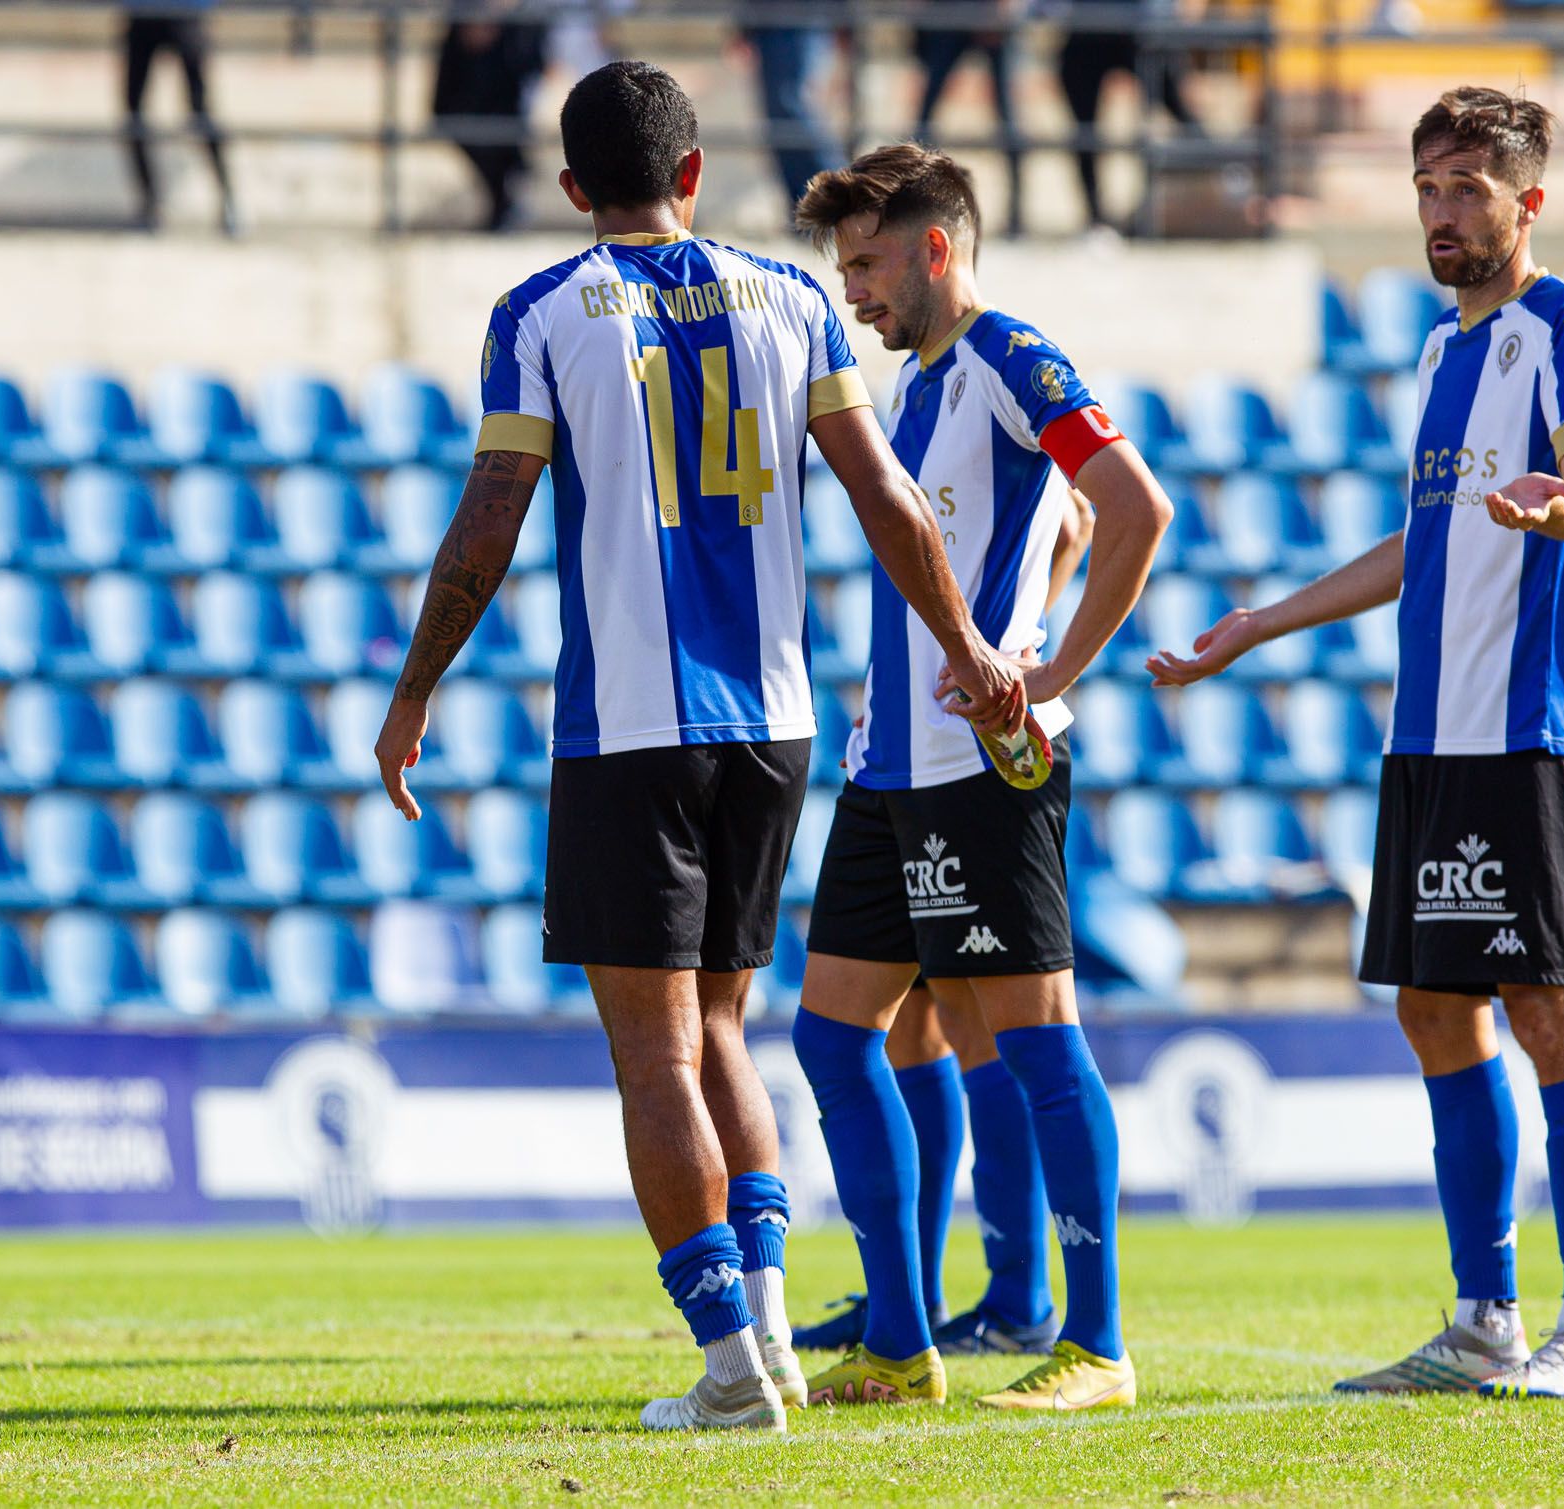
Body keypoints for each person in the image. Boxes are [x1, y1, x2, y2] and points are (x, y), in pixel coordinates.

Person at [373, 62, 1025, 1435]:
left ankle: (729, 1362)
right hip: (775, 722)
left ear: (569, 190)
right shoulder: (792, 300)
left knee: (657, 1055)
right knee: (725, 1026)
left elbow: (493, 515)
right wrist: (966, 643)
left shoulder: (541, 311)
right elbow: (888, 495)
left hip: (631, 725)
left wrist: (417, 683)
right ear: (693, 172)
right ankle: (774, 1332)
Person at [1149, 86, 1564, 1401]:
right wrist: (1262, 621)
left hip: (1522, 722)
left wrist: (1553, 506)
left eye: (1468, 187)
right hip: (1430, 733)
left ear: (1528, 202)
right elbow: (1426, 544)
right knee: (1432, 1007)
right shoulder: (1439, 354)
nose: (1441, 210)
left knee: (1547, 1006)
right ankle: (1486, 1316)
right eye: (1427, 186)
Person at [791, 143, 1173, 1411]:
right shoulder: (914, 391)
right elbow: (1049, 528)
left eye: (866, 264)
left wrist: (1051, 672)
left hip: (978, 768)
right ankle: (902, 1344)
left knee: (1037, 1040)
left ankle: (1097, 1345)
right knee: (833, 1035)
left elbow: (1131, 506)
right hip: (887, 766)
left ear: (934, 247)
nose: (853, 294)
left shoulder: (1012, 357)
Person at [796, 492, 1095, 1358]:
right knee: (915, 1024)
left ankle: (1017, 1297)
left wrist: (1016, 650)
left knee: (975, 1020)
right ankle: (916, 1299)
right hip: (902, 753)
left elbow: (1080, 520)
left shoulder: (998, 373)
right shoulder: (921, 395)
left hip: (964, 754)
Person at [1056, 0, 1199, 234]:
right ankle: (1096, 217)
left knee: (1180, 110)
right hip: (1087, 27)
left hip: (1140, 28)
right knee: (1085, 130)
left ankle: (1229, 181)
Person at [912, 0, 1026, 238]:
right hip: (949, 11)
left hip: (984, 11)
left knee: (1008, 116)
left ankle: (1018, 212)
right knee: (925, 116)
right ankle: (910, 203)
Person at [121, 0, 236, 233]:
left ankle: (227, 198)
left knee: (200, 108)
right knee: (134, 112)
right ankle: (150, 203)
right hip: (144, 12)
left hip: (185, 11)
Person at [432, 9, 546, 232]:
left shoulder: (520, 30)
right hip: (466, 92)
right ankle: (504, 198)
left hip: (506, 85)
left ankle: (506, 199)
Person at [740, 18, 843, 212]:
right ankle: (805, 207)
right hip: (770, 20)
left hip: (802, 18)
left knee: (791, 105)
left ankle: (840, 192)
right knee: (779, 117)